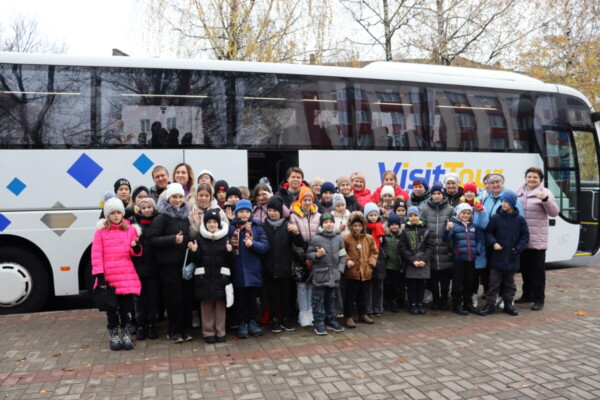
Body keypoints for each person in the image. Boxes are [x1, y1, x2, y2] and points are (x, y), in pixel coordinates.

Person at [92, 195, 142, 351]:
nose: (116, 215)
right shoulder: (100, 233)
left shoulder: (130, 230)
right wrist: (100, 277)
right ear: (107, 215)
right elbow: (96, 255)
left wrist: (136, 248)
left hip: (126, 274)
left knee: (127, 310)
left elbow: (136, 252)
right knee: (112, 310)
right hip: (109, 277)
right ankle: (113, 335)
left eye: (118, 212)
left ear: (122, 213)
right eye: (112, 213)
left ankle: (126, 335)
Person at [147, 183, 194, 343]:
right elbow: (152, 239)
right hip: (169, 266)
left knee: (186, 298)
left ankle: (186, 329)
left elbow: (186, 235)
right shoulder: (162, 217)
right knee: (174, 300)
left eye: (180, 197)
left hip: (184, 266)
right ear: (168, 198)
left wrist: (189, 242)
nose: (178, 200)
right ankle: (174, 330)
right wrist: (173, 240)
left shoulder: (184, 216)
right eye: (174, 197)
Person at [478, 190, 529, 316]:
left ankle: (508, 305)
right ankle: (490, 305)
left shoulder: (520, 220)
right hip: (497, 257)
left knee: (509, 283)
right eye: (502, 201)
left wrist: (518, 248)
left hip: (512, 257)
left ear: (512, 203)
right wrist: (494, 243)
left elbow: (525, 235)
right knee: (493, 283)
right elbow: (488, 232)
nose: (504, 204)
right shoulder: (496, 218)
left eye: (506, 202)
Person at [516, 167, 559, 311]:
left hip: (537, 239)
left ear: (540, 179)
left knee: (538, 272)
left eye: (535, 177)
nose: (532, 179)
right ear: (525, 178)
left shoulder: (545, 193)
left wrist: (545, 200)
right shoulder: (519, 192)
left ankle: (539, 299)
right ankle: (527, 295)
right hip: (522, 238)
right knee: (525, 270)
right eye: (529, 177)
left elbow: (554, 212)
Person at [190, 208, 233, 343]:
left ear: (219, 223)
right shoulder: (199, 238)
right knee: (206, 306)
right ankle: (208, 332)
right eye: (209, 222)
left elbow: (230, 260)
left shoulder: (225, 238)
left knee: (220, 306)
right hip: (204, 278)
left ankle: (221, 332)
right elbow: (195, 261)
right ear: (205, 224)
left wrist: (229, 251)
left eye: (215, 222)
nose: (212, 224)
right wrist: (195, 251)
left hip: (221, 278)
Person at [261, 197, 304, 333]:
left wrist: (296, 233)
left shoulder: (287, 226)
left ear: (280, 211)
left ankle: (286, 319)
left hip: (285, 268)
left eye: (275, 210)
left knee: (285, 295)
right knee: (272, 296)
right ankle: (274, 319)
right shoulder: (262, 227)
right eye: (270, 210)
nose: (272, 213)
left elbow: (299, 243)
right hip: (269, 268)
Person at [229, 199, 270, 338]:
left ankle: (252, 322)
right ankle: (242, 323)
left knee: (252, 299)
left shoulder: (257, 228)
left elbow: (265, 247)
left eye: (247, 211)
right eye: (241, 211)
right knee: (240, 299)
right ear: (236, 213)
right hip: (238, 269)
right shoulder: (232, 229)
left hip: (253, 270)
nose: (244, 214)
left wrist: (253, 244)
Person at [307, 213, 347, 335]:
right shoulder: (316, 239)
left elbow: (343, 256)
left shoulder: (338, 238)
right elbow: (309, 254)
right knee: (318, 301)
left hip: (334, 275)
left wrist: (340, 270)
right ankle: (318, 323)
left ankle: (331, 321)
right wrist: (316, 255)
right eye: (325, 222)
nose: (328, 224)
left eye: (330, 222)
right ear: (321, 224)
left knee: (331, 300)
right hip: (320, 276)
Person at [443, 203, 486, 315]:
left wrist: (477, 250)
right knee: (457, 283)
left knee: (469, 283)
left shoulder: (474, 226)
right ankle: (456, 305)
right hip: (458, 259)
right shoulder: (454, 225)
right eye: (463, 213)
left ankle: (468, 304)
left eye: (468, 213)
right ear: (458, 213)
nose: (466, 215)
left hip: (471, 259)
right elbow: (445, 239)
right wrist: (447, 230)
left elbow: (480, 240)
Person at [289, 186, 321, 327]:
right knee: (301, 286)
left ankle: (311, 312)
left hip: (314, 254)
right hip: (299, 254)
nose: (307, 203)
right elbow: (293, 238)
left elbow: (320, 235)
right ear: (300, 201)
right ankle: (303, 313)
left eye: (309, 200)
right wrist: (302, 254)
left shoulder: (318, 215)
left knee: (312, 285)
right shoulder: (294, 215)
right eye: (304, 200)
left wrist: (314, 254)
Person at [129, 196, 159, 340]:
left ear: (154, 208)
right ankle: (141, 325)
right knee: (138, 299)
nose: (146, 210)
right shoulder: (133, 223)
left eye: (149, 207)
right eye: (143, 207)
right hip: (137, 268)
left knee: (153, 298)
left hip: (154, 267)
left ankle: (152, 324)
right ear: (139, 208)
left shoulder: (158, 221)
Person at [420, 182, 454, 311]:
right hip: (432, 250)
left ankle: (444, 301)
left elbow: (453, 230)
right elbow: (421, 228)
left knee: (445, 281)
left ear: (443, 194)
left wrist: (450, 247)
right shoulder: (425, 210)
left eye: (439, 193)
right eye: (434, 194)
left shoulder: (450, 209)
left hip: (445, 250)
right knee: (433, 281)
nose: (436, 196)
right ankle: (436, 300)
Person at [343, 211, 379, 328]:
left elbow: (374, 252)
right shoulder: (346, 238)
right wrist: (347, 260)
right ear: (351, 226)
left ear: (363, 226)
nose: (357, 228)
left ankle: (363, 314)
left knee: (364, 294)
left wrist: (371, 264)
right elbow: (342, 252)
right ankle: (348, 316)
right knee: (350, 295)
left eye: (359, 225)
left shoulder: (369, 238)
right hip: (352, 272)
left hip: (365, 272)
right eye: (355, 226)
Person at [399, 206, 435, 315]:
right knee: (411, 285)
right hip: (411, 263)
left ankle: (420, 303)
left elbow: (430, 246)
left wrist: (424, 259)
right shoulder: (405, 231)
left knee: (421, 284)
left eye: (415, 215)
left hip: (424, 262)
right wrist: (412, 260)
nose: (413, 218)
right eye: (411, 216)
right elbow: (402, 247)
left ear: (419, 216)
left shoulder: (426, 230)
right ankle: (412, 304)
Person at [364, 202, 386, 317]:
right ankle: (368, 309)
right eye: (370, 215)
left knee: (379, 286)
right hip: (368, 260)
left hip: (380, 260)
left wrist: (384, 254)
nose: (373, 217)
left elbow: (384, 243)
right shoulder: (364, 229)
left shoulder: (380, 228)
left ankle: (378, 307)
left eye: (375, 215)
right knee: (368, 287)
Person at [382, 213, 405, 312]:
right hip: (387, 265)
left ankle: (395, 301)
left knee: (396, 285)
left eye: (396, 224)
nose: (394, 226)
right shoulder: (385, 236)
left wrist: (402, 265)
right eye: (392, 224)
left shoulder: (401, 236)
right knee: (386, 284)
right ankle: (386, 300)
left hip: (397, 265)